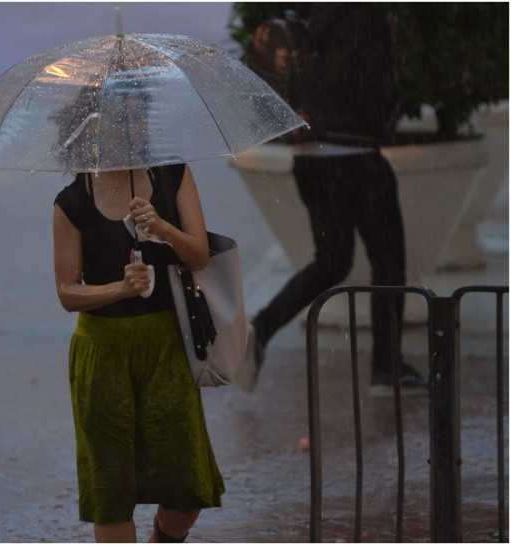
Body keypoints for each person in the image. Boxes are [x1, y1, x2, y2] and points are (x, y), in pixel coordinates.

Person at [236, 3, 428, 396]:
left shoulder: (313, 11)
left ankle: (260, 330)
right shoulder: (363, 15)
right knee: (389, 262)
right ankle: (387, 368)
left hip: (311, 159)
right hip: (354, 154)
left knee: (332, 261)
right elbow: (369, 88)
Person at [52, 162, 225, 542]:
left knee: (186, 484)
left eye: (134, 114)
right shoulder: (72, 201)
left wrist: (161, 228)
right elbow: (67, 292)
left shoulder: (172, 174)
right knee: (111, 487)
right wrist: (120, 289)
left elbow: (198, 255)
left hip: (166, 346)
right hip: (102, 353)